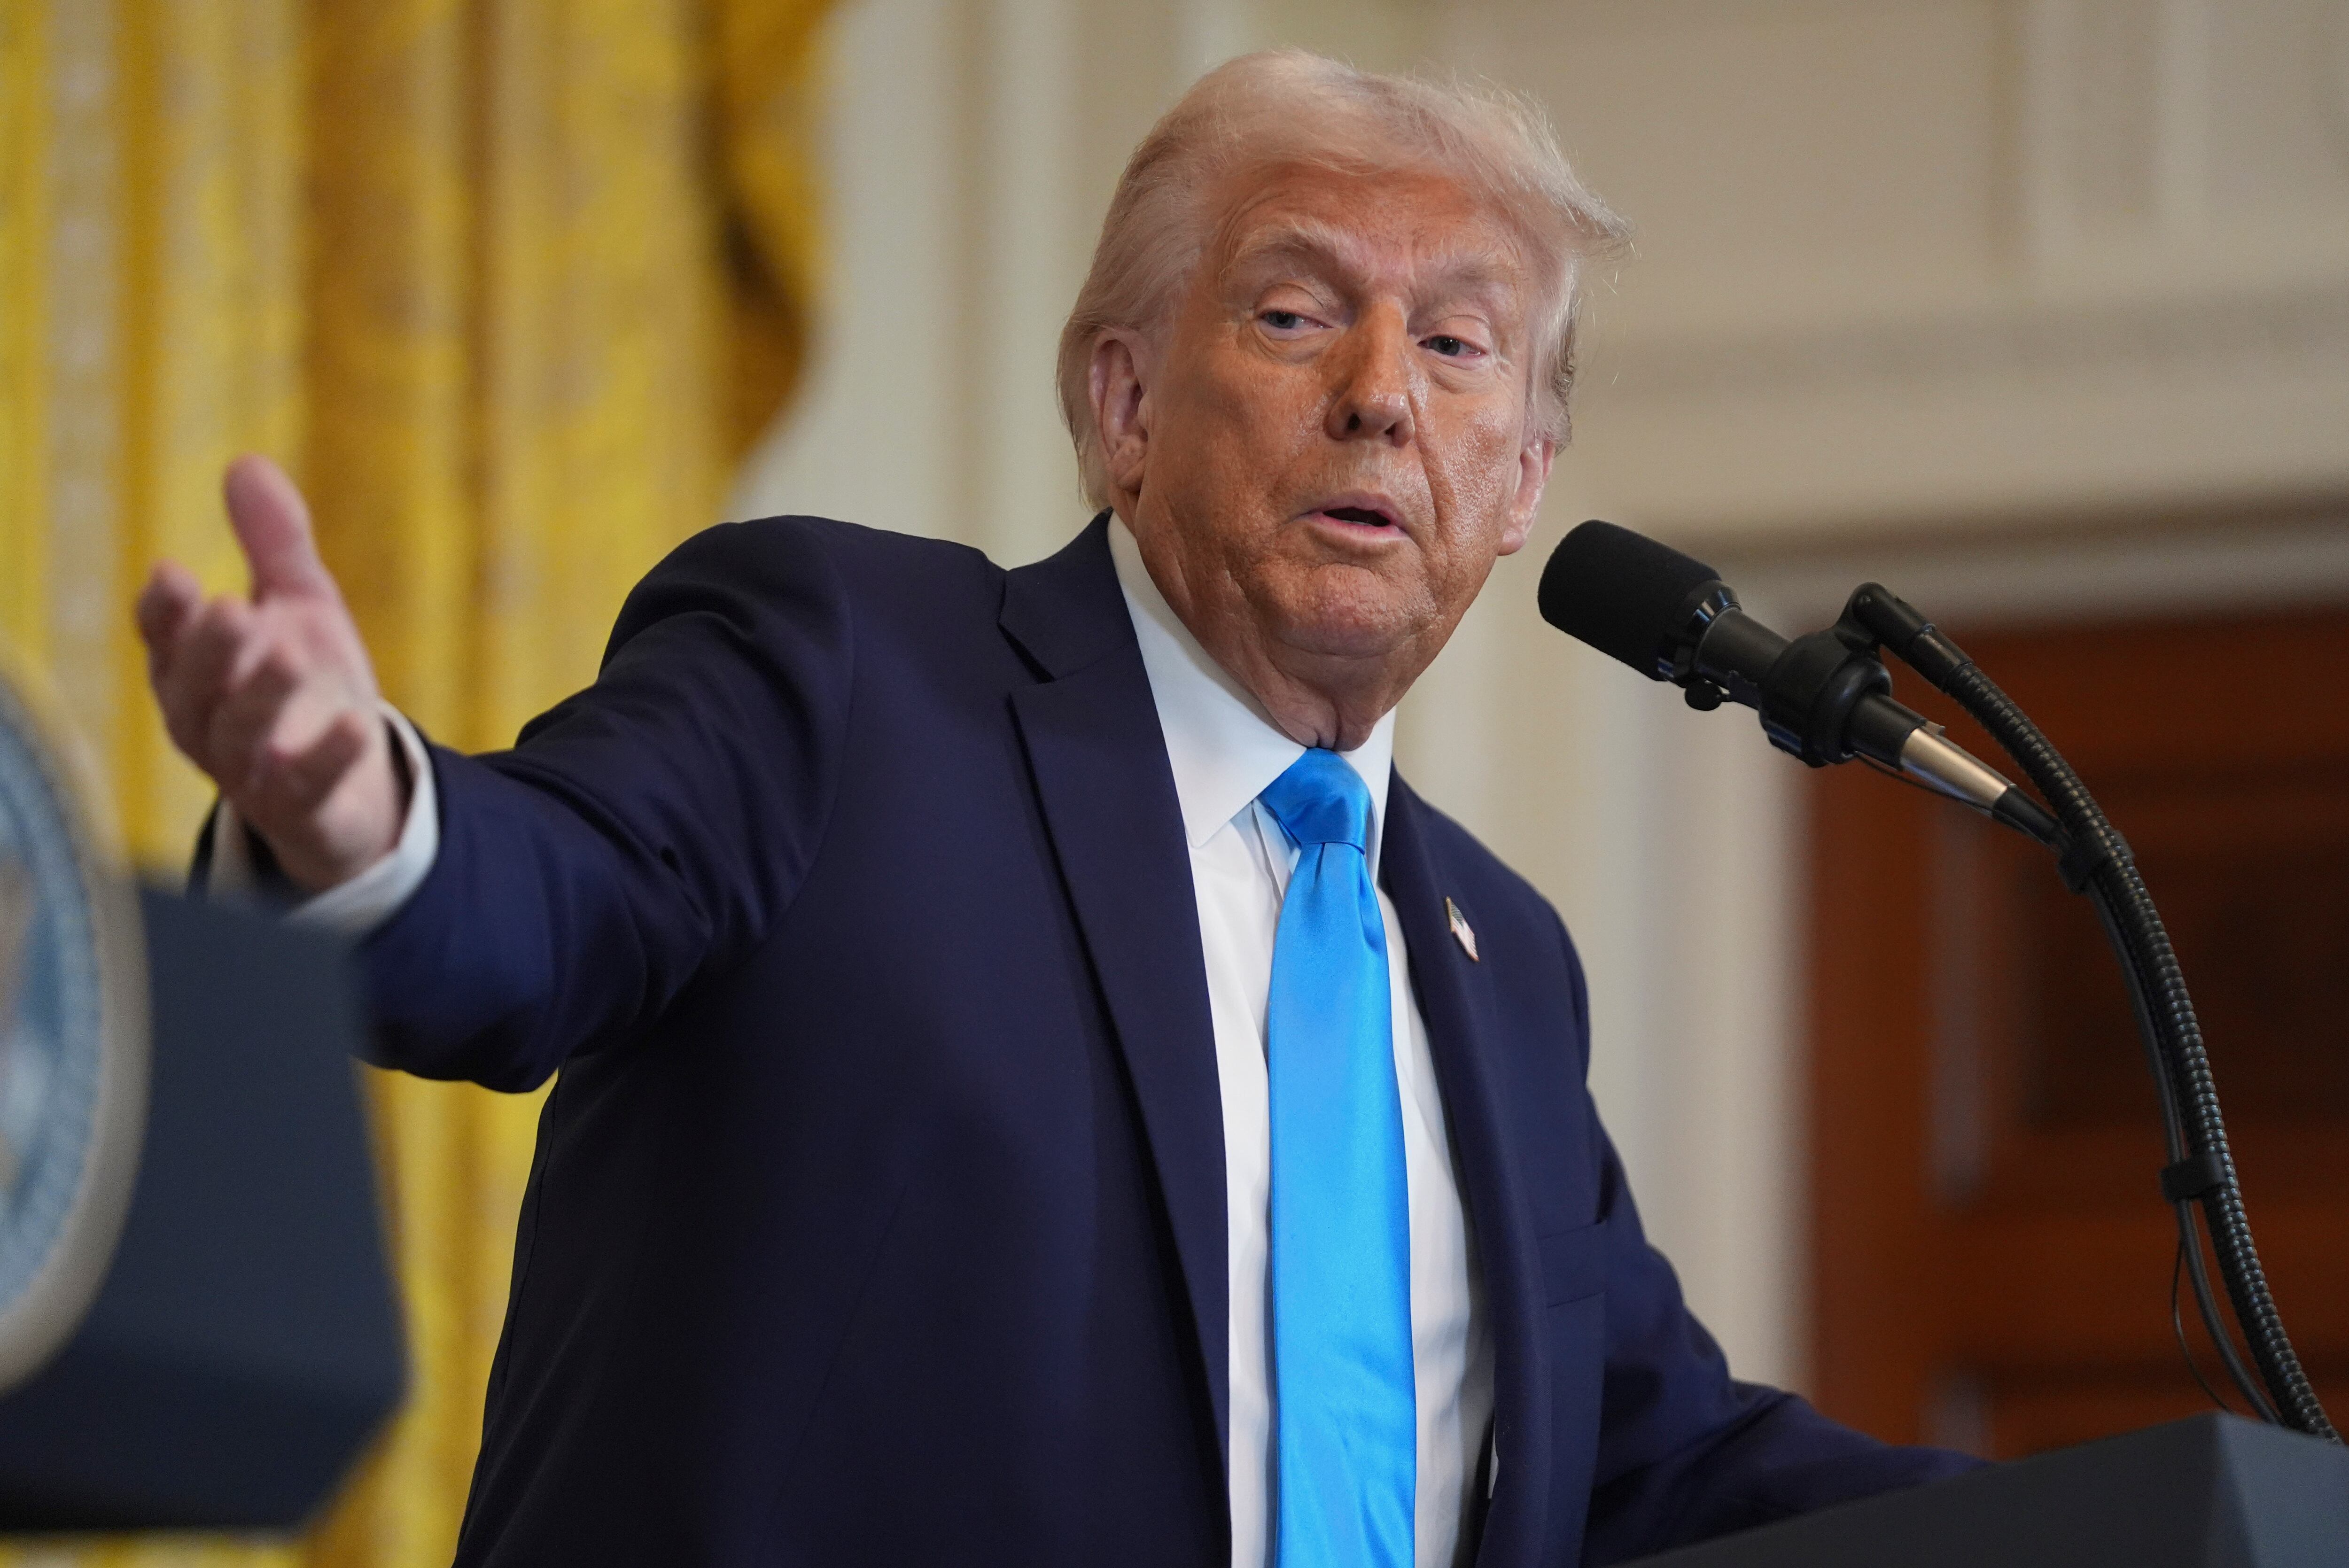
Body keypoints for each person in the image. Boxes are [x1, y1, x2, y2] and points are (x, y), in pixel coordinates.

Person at [135, 50, 1972, 1568]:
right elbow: (547, 899)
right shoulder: (846, 672)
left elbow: (1652, 1457)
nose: (1377, 398)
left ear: (1522, 483)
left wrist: (2128, 1519)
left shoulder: (1505, 962)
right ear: (1125, 401)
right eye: (1294, 312)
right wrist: (361, 815)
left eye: (1456, 346)